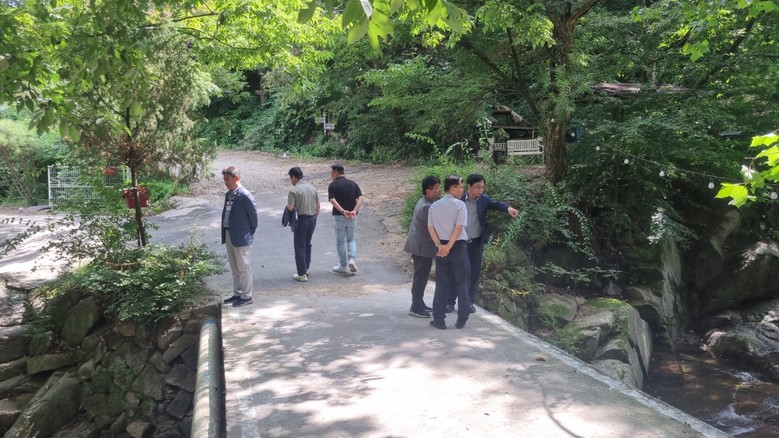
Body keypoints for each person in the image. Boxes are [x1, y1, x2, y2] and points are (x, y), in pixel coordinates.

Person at [447, 173, 519, 314]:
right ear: (469, 186)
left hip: (476, 242)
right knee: (456, 272)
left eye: (482, 187)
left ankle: (469, 303)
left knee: (473, 274)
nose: (481, 190)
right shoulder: (458, 199)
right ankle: (450, 302)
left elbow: (496, 204)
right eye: (477, 187)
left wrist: (508, 208)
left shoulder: (483, 200)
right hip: (459, 242)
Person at [427, 175, 470, 329]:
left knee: (442, 284)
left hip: (441, 247)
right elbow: (459, 228)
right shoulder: (460, 205)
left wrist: (440, 246)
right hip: (457, 246)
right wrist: (450, 246)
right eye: (460, 187)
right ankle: (462, 319)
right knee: (461, 283)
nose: (462, 190)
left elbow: (430, 228)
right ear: (452, 188)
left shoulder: (434, 206)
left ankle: (439, 320)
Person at [403, 175, 441, 318]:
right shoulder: (426, 207)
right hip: (421, 247)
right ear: (428, 191)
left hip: (421, 245)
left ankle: (419, 302)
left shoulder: (425, 201)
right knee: (420, 277)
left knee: (422, 276)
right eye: (436, 188)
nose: (439, 190)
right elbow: (433, 228)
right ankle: (416, 307)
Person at [221, 166, 258, 307]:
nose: (226, 182)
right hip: (229, 234)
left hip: (241, 236)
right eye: (224, 180)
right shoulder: (228, 195)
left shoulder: (245, 195)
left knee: (243, 267)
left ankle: (247, 296)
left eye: (228, 179)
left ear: (236, 178)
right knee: (234, 268)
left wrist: (248, 232)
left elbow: (253, 217)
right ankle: (237, 293)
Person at [328, 163, 363, 275]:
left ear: (336, 172)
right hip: (352, 216)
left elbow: (332, 200)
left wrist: (342, 210)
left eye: (332, 172)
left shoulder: (333, 185)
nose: (331, 174)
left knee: (340, 242)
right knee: (351, 239)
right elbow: (360, 198)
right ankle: (352, 259)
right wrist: (354, 210)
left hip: (339, 216)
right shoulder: (353, 184)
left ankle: (343, 265)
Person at [287, 166, 320, 282]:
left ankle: (301, 274)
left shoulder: (293, 190)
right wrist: (314, 217)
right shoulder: (312, 189)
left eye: (290, 178)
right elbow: (318, 206)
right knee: (307, 244)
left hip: (301, 220)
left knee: (299, 246)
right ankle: (306, 268)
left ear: (293, 177)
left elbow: (290, 207)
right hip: (312, 219)